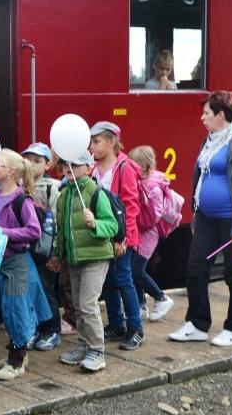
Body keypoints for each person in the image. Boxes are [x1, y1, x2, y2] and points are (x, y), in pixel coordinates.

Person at [169, 91, 232, 348]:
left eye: (207, 113)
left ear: (220, 115)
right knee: (196, 268)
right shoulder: (209, 140)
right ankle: (198, 324)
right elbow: (200, 178)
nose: (202, 118)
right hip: (207, 218)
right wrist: (196, 214)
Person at [48, 152, 119, 373]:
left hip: (95, 257)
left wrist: (95, 223)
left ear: (88, 166)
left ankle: (97, 351)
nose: (69, 167)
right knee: (78, 305)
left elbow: (113, 226)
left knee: (88, 304)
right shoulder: (64, 195)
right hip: (75, 259)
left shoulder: (96, 192)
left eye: (75, 163)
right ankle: (83, 345)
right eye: (65, 163)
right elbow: (61, 232)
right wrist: (59, 254)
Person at [0, 149, 43, 381]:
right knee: (6, 310)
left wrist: (3, 233)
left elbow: (34, 230)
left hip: (16, 263)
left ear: (10, 172)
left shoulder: (22, 199)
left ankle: (16, 363)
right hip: (0, 262)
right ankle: (16, 351)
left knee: (16, 309)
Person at [89, 121, 144, 351]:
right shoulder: (93, 168)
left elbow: (131, 206)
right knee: (108, 282)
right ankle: (116, 323)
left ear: (112, 142)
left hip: (121, 236)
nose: (91, 147)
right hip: (104, 233)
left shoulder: (125, 168)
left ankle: (136, 328)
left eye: (96, 142)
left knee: (123, 278)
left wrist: (124, 239)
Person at [22, 142, 71, 347]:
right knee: (29, 290)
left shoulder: (52, 188)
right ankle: (35, 328)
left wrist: (55, 253)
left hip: (45, 250)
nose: (32, 165)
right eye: (28, 160)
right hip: (25, 249)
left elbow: (58, 222)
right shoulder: (19, 186)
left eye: (37, 161)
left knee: (46, 289)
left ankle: (52, 330)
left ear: (48, 164)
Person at [126, 146, 176, 321]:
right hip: (139, 232)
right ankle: (141, 306)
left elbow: (154, 216)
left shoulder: (153, 187)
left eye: (135, 166)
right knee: (134, 270)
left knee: (136, 270)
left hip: (148, 234)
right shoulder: (141, 182)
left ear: (146, 167)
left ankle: (161, 298)